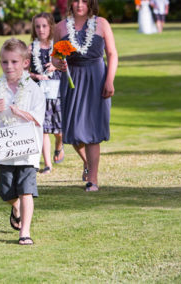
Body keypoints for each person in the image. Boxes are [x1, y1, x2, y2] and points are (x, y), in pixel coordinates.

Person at [0, 38, 45, 245]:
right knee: (5, 190)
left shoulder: (33, 89)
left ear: (25, 63)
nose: (9, 66)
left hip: (27, 150)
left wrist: (22, 112)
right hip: (4, 151)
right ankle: (14, 206)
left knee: (26, 189)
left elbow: (39, 118)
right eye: (5, 62)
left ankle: (24, 233)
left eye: (14, 62)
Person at [52, 0, 118, 191]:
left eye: (84, 0)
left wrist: (109, 80)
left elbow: (112, 54)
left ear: (90, 3)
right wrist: (59, 63)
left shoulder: (102, 24)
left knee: (93, 131)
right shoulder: (60, 27)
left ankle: (93, 179)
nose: (79, 4)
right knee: (74, 132)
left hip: (97, 78)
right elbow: (55, 57)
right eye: (75, 0)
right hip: (72, 80)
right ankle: (87, 162)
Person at [28, 12, 64, 175]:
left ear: (51, 27)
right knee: (42, 128)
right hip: (38, 92)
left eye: (44, 26)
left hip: (56, 90)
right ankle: (48, 164)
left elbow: (68, 65)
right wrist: (36, 76)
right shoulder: (30, 48)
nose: (41, 29)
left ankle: (59, 144)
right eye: (37, 26)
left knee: (59, 130)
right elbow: (24, 71)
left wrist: (56, 66)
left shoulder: (58, 46)